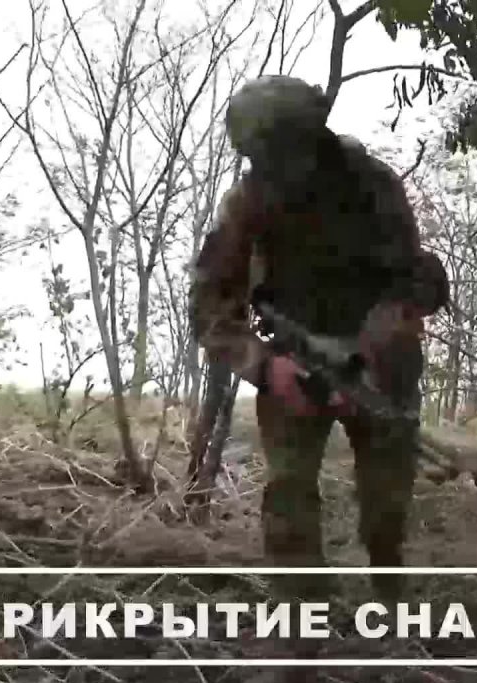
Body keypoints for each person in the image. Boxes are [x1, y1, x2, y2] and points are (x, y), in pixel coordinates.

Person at [190, 75, 449, 606]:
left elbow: (415, 281)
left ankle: (390, 594)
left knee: (386, 498)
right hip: (292, 359)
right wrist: (266, 368)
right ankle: (302, 613)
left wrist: (371, 351)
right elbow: (211, 303)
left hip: (382, 359)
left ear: (314, 138)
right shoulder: (248, 201)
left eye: (288, 152)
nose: (280, 169)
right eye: (265, 158)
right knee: (288, 492)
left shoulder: (372, 185)